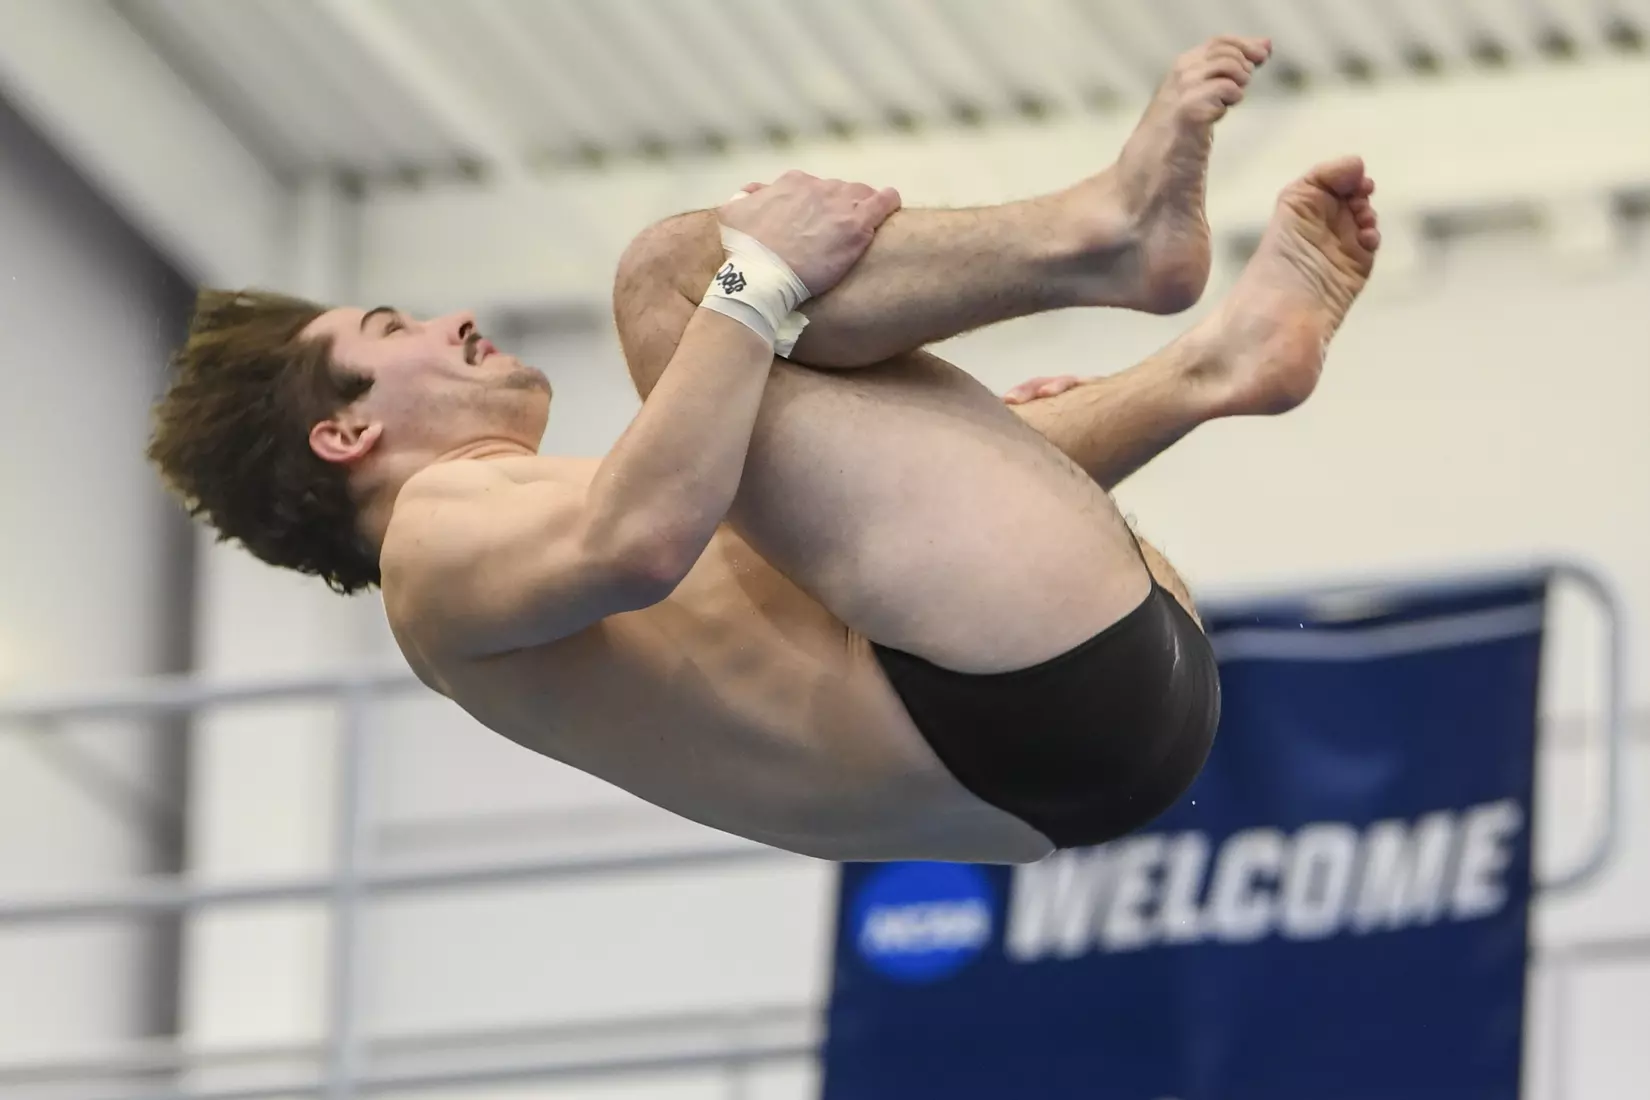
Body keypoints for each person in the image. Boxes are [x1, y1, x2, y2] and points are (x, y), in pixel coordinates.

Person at [148, 37, 1381, 863]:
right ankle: (1105, 237)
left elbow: (822, 546)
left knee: (771, 384)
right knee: (668, 282)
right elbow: (638, 538)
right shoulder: (431, 549)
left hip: (1089, 725)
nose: (448, 319)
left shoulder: (540, 565)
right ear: (346, 431)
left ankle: (1214, 370)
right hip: (1009, 698)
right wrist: (756, 277)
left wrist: (1002, 442)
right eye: (390, 329)